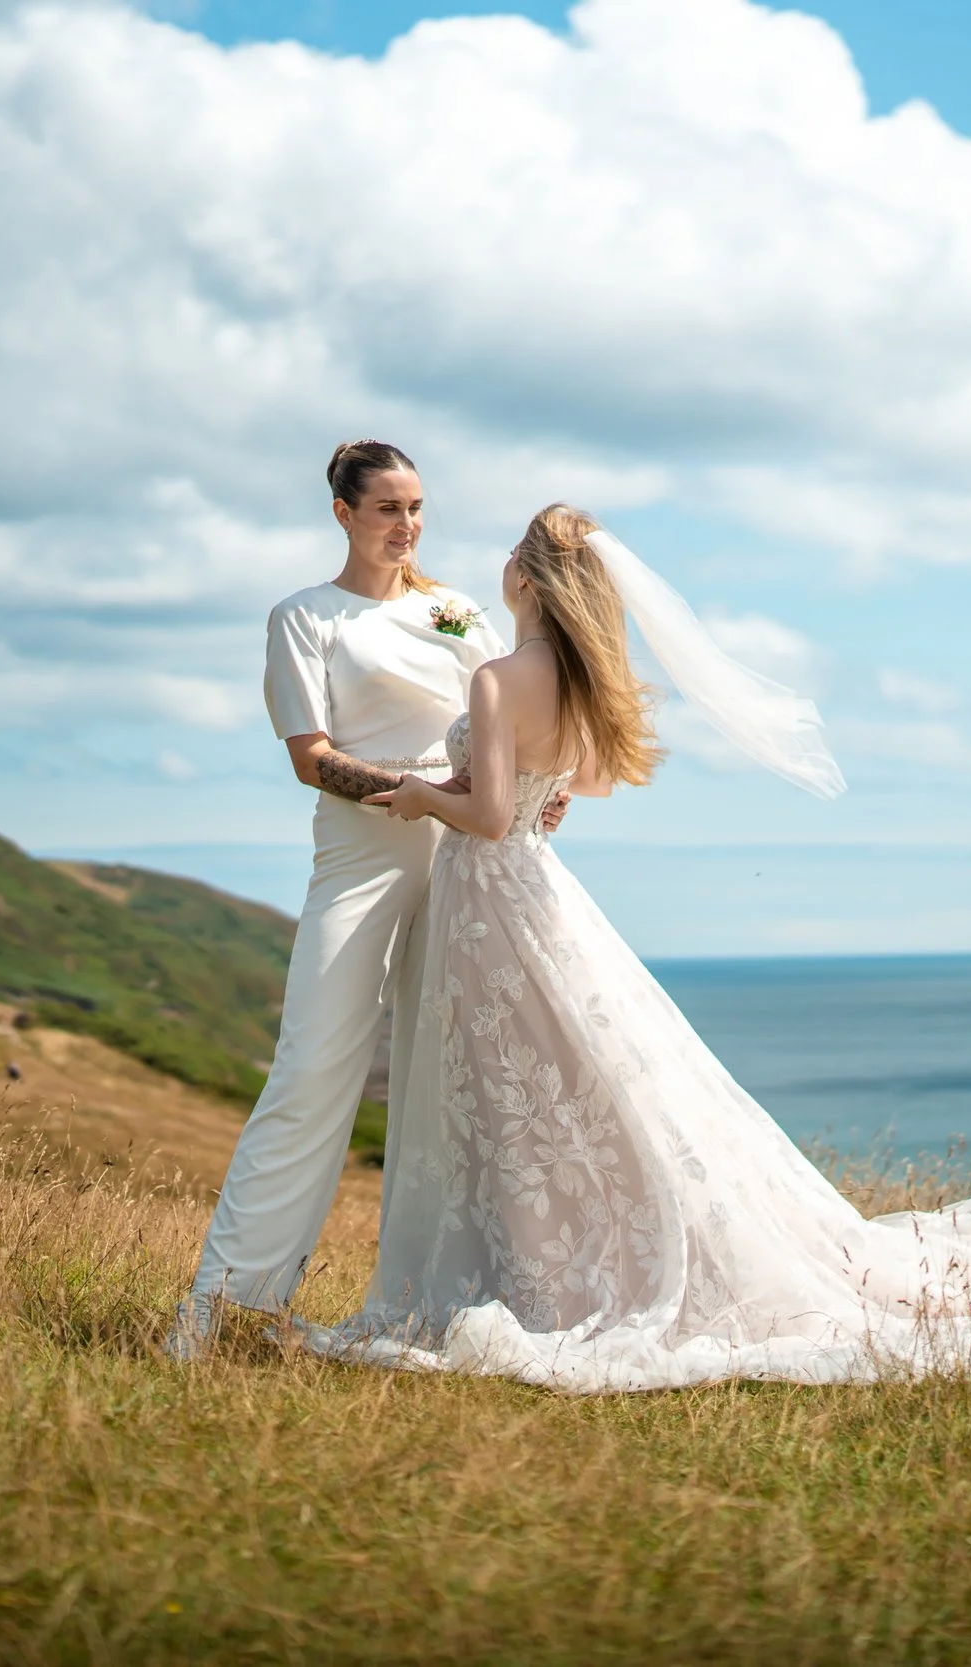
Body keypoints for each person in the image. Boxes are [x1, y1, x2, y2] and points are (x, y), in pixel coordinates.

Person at [290, 504, 971, 1392]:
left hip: (487, 898)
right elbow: (586, 784)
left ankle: (523, 1267)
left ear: (523, 576)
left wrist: (419, 796)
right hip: (541, 888)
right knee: (572, 1087)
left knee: (506, 1088)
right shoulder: (580, 679)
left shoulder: (496, 677)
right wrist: (518, 792)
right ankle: (554, 1262)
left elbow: (484, 815)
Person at [162, 441, 565, 1358]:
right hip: (361, 853)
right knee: (310, 1074)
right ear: (342, 512)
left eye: (417, 507)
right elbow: (310, 756)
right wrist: (414, 792)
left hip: (472, 855)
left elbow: (521, 716)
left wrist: (535, 789)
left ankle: (472, 1300)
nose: (407, 525)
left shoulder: (457, 610)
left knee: (464, 1078)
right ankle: (223, 1310)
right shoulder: (304, 618)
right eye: (387, 507)